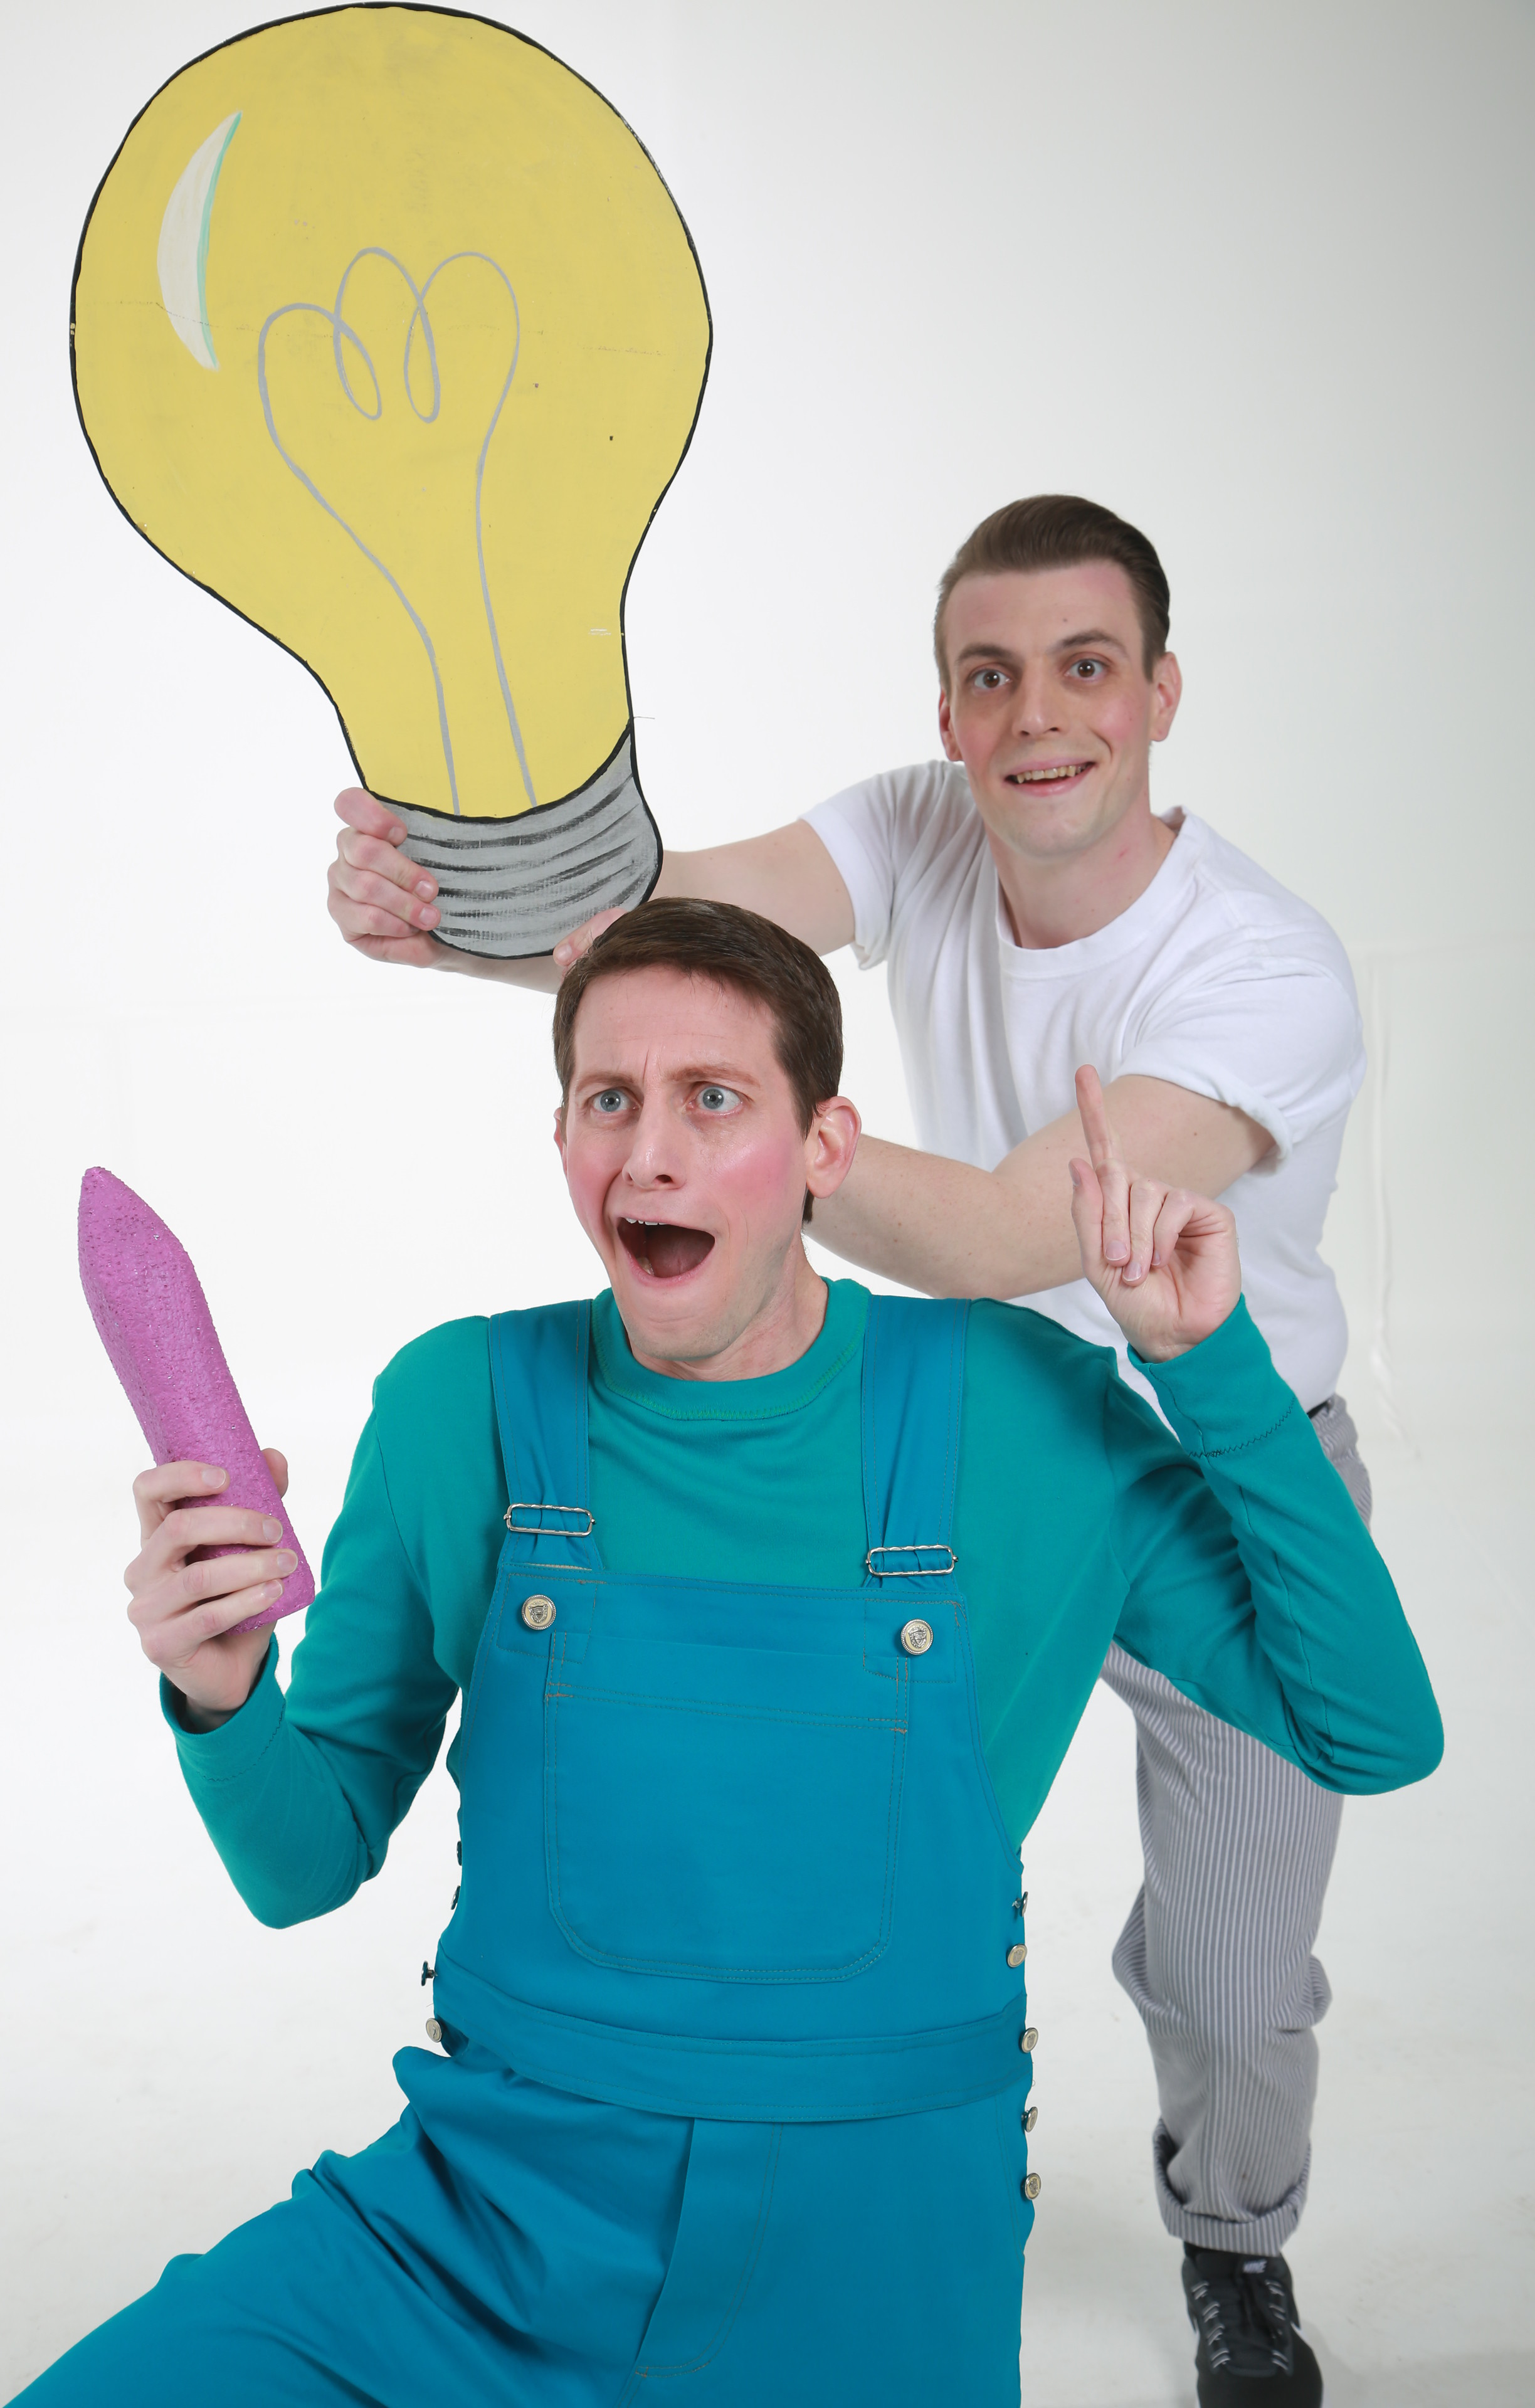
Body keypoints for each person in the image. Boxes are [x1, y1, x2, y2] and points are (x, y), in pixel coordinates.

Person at [11, 901, 1439, 2408]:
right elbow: (301, 1866)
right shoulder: (455, 1406)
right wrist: (223, 1690)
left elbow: (1368, 1728)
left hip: (870, 2280)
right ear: (560, 1138)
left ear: (824, 1147)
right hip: (482, 2245)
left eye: (711, 1099)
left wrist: (1204, 1365)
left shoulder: (1017, 1410)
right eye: (606, 1100)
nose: (648, 1154)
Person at [327, 496, 1372, 2402]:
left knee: (1230, 1988)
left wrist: (756, 1131)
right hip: (966, 1468)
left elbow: (1000, 1237)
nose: (1036, 714)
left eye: (1083, 668)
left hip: (1213, 1471)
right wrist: (450, 919)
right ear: (946, 709)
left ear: (1160, 693)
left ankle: (1235, 2238)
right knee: (855, 1899)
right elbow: (655, 931)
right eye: (989, 675)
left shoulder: (1265, 972)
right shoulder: (919, 825)